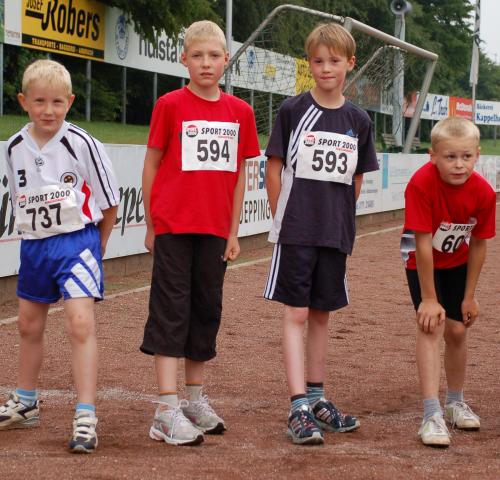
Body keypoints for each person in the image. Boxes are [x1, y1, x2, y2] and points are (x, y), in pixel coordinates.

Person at [140, 20, 260, 446]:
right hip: (174, 226)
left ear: (226, 60)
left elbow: (241, 176)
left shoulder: (241, 112)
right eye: (197, 56)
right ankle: (165, 410)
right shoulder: (170, 104)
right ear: (184, 60)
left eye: (214, 56)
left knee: (206, 310)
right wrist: (153, 225)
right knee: (172, 311)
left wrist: (233, 231)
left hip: (214, 231)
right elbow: (152, 165)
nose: (206, 63)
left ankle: (193, 398)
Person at [263, 23, 379, 445]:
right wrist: (283, 216)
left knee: (320, 315)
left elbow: (357, 179)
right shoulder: (294, 110)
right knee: (294, 313)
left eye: (334, 61)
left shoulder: (359, 120)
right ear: (309, 64)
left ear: (350, 64)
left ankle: (317, 398)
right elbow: (273, 166)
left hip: (335, 233)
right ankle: (297, 406)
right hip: (297, 230)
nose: (325, 68)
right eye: (317, 61)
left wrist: (343, 220)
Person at [0, 59, 119, 453]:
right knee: (28, 327)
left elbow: (110, 203)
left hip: (77, 245)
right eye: (38, 101)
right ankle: (26, 402)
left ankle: (85, 414)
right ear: (23, 101)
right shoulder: (14, 147)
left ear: (69, 102)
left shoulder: (82, 143)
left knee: (79, 323)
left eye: (56, 102)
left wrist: (96, 249)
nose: (47, 110)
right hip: (34, 246)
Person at [401, 116, 496, 448]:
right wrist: (429, 298)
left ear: (477, 155)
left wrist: (470, 296)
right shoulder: (420, 184)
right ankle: (431, 413)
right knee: (433, 325)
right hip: (420, 258)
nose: (459, 165)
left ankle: (455, 401)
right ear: (433, 156)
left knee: (458, 330)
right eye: (450, 157)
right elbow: (422, 243)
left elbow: (480, 243)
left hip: (457, 260)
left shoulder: (484, 192)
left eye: (466, 157)